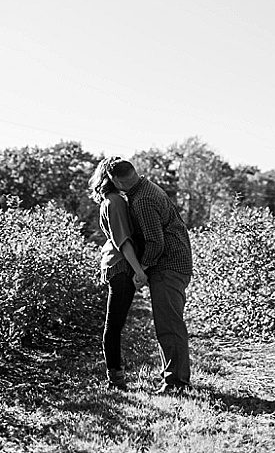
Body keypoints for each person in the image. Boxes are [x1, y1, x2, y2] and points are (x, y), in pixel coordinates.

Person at [107, 158, 193, 393]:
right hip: (175, 262)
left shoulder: (142, 200)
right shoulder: (146, 187)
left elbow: (156, 242)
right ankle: (174, 378)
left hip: (168, 265)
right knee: (168, 323)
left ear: (116, 181)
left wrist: (141, 269)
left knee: (169, 325)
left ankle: (176, 383)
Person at [88, 157, 147, 390]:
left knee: (114, 325)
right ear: (112, 178)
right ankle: (115, 378)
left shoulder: (112, 200)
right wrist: (138, 270)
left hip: (119, 266)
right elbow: (123, 241)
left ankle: (115, 377)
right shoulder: (114, 202)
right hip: (122, 266)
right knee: (113, 326)